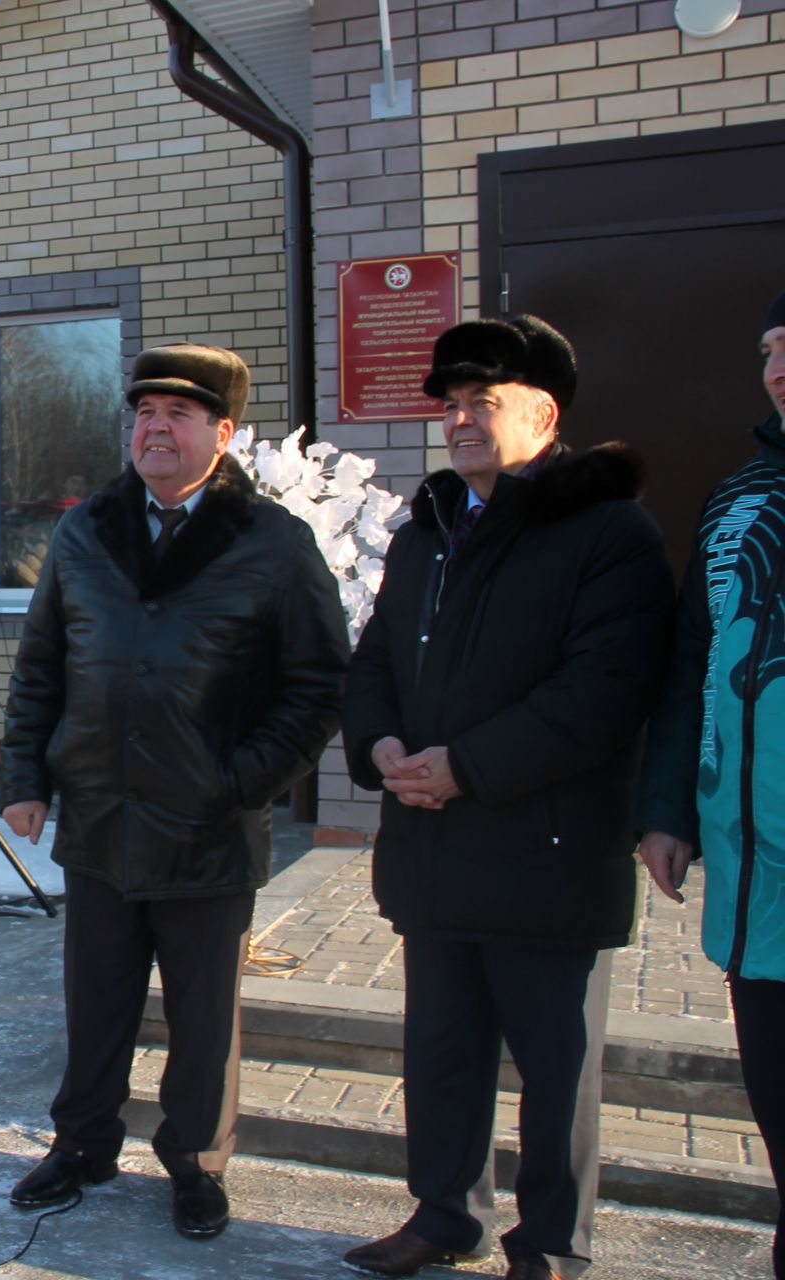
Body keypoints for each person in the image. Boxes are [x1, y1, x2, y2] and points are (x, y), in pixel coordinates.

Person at [340, 316, 673, 1280]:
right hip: (434, 855)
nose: (459, 422)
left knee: (554, 1072)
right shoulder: (430, 530)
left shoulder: (608, 529)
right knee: (442, 1055)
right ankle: (444, 1215)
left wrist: (464, 767)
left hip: (548, 851)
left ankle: (553, 1244)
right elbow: (376, 661)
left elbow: (602, 692)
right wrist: (382, 745)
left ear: (544, 413)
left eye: (482, 403)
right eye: (451, 405)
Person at [0, 343, 349, 1240]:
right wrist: (28, 777)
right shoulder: (86, 531)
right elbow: (42, 666)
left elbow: (317, 686)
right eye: (144, 413)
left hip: (208, 827)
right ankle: (81, 1145)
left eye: (179, 415)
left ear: (222, 435)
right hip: (103, 815)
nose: (155, 428)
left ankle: (195, 1161)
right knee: (97, 999)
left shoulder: (272, 544)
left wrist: (242, 782)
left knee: (202, 1019)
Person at [637, 288, 785, 1280]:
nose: (778, 366)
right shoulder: (738, 499)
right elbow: (690, 661)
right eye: (772, 349)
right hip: (754, 884)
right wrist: (665, 810)